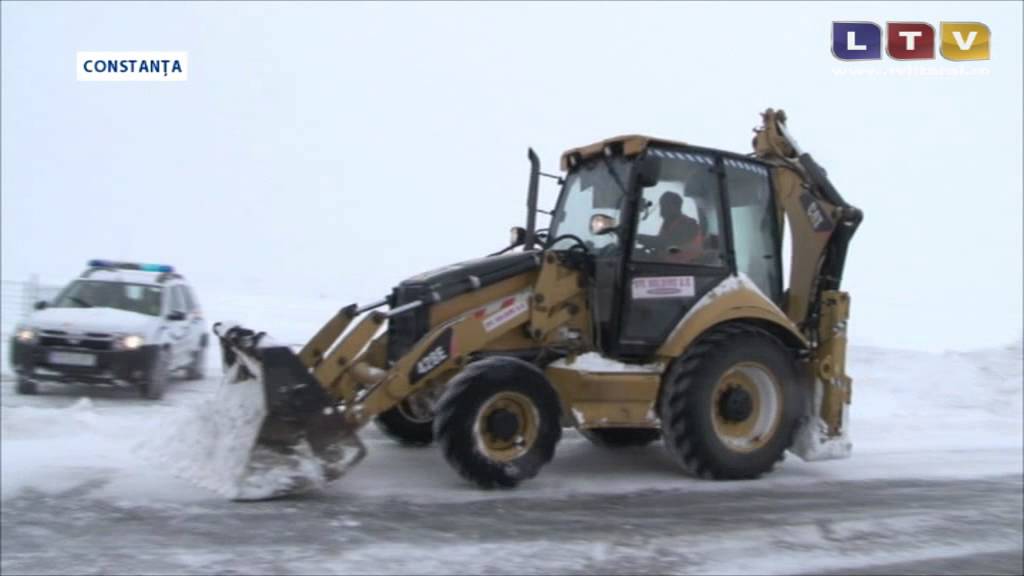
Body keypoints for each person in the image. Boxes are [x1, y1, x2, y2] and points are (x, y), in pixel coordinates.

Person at [657, 191, 703, 262]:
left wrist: (648, 240)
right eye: (661, 206)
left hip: (685, 267)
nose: (661, 210)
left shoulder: (688, 224)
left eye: (665, 206)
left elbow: (669, 243)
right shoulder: (668, 223)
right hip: (668, 264)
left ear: (675, 207)